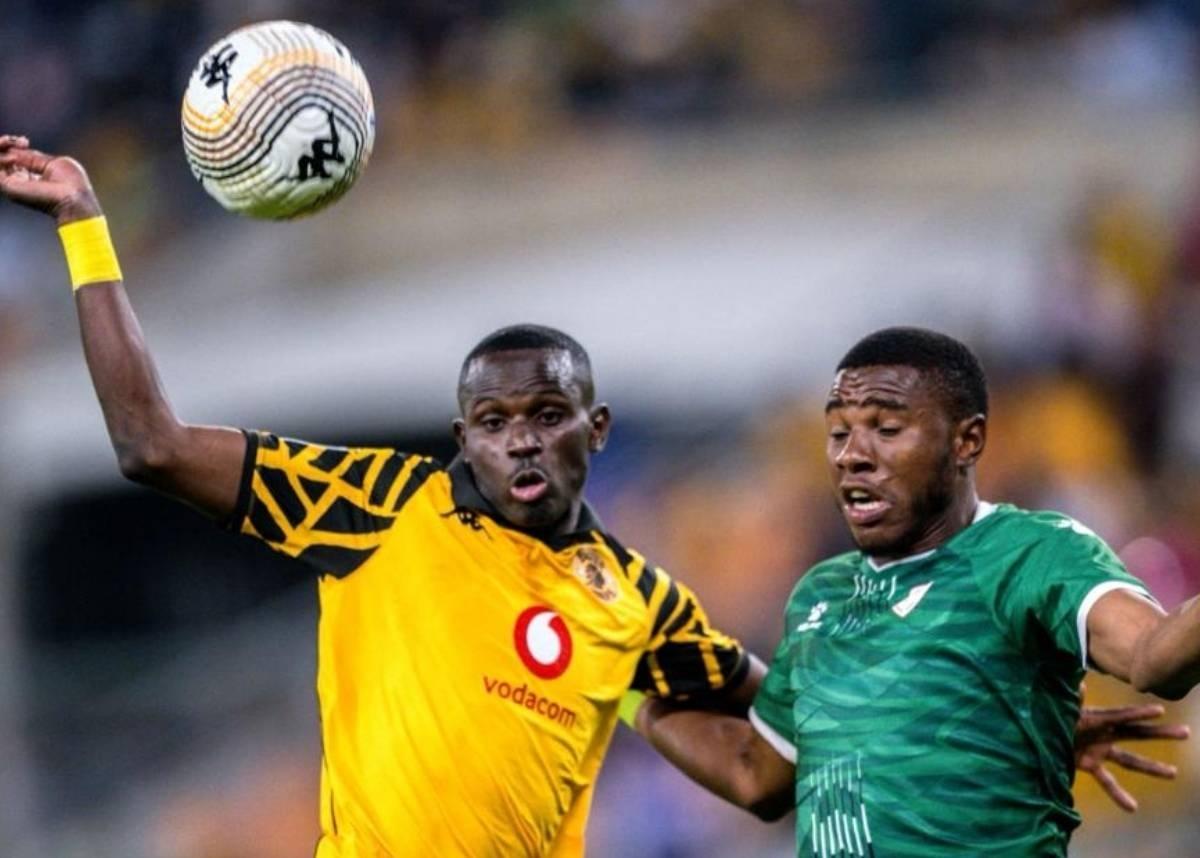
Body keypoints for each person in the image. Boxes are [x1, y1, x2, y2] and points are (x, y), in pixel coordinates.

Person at [0, 138, 1181, 856]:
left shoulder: (643, 602)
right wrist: (90, 235)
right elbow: (150, 443)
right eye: (492, 421)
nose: (519, 440)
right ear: (462, 435)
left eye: (545, 415)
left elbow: (789, 755)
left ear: (594, 429)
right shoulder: (373, 504)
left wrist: (991, 719)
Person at [627, 326, 1194, 856]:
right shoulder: (820, 595)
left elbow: (1152, 656)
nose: (852, 454)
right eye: (839, 432)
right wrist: (624, 694)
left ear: (966, 440)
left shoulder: (1029, 553)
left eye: (887, 429)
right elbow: (758, 775)